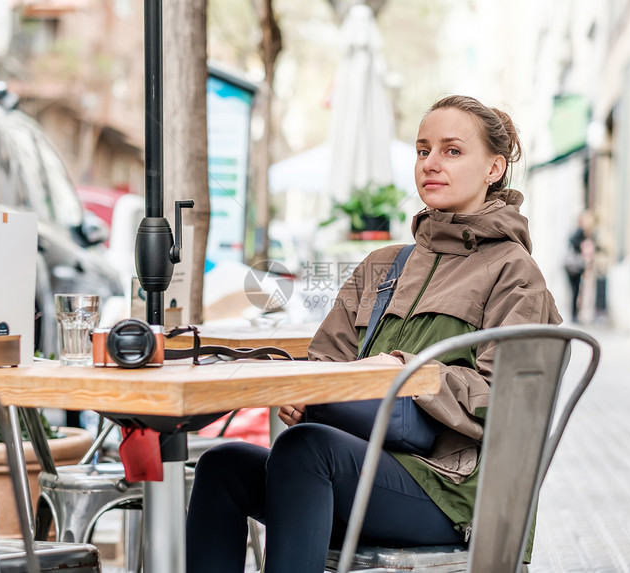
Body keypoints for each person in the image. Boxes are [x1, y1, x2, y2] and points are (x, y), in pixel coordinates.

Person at [185, 95, 561, 573]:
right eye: (423, 150)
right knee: (223, 465)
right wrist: (301, 395)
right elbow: (325, 364)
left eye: (451, 151)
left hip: (455, 492)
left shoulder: (514, 273)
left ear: (494, 168)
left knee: (305, 451)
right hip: (357, 468)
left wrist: (413, 372)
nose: (431, 164)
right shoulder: (382, 266)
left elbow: (512, 403)